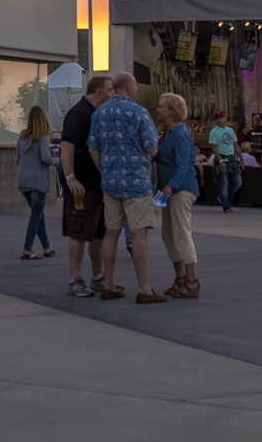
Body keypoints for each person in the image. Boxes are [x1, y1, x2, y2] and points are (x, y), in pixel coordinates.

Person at [88, 72, 164, 304]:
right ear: (130, 88)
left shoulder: (100, 112)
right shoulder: (139, 112)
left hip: (111, 183)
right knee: (139, 233)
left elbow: (93, 148)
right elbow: (151, 147)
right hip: (137, 183)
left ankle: (109, 285)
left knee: (111, 233)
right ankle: (143, 289)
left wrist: (106, 171)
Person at [59, 76, 110, 297]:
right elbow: (67, 145)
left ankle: (98, 276)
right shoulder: (80, 113)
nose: (112, 95)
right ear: (98, 93)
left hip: (97, 184)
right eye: (110, 91)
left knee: (98, 232)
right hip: (82, 184)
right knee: (79, 231)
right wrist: (70, 177)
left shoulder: (95, 113)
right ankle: (75, 278)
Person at [154, 93, 200, 298]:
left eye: (161, 107)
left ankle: (191, 280)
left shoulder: (180, 134)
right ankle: (180, 276)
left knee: (181, 233)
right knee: (168, 235)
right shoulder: (168, 132)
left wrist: (171, 186)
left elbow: (183, 166)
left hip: (181, 189)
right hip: (169, 189)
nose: (158, 110)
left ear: (171, 111)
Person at [16, 105, 58, 260]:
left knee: (38, 214)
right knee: (35, 215)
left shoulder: (22, 136)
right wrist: (58, 160)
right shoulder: (43, 137)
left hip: (23, 179)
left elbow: (18, 159)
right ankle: (27, 248)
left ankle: (46, 246)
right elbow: (46, 158)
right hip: (38, 180)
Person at [207, 113, 238, 211]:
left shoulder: (230, 130)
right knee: (223, 183)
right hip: (222, 158)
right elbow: (213, 147)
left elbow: (235, 144)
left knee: (238, 181)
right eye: (218, 118)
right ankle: (226, 206)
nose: (220, 120)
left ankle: (224, 199)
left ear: (226, 118)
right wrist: (220, 160)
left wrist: (241, 157)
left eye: (222, 117)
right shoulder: (214, 131)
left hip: (231, 158)